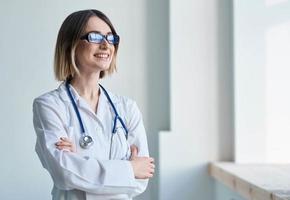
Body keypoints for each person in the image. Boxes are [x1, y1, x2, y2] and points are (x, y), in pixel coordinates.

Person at [33, 9, 154, 200]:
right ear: (70, 44)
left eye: (110, 38)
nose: (106, 45)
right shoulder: (49, 106)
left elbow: (142, 179)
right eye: (95, 37)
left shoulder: (127, 108)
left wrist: (79, 165)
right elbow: (63, 173)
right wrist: (130, 168)